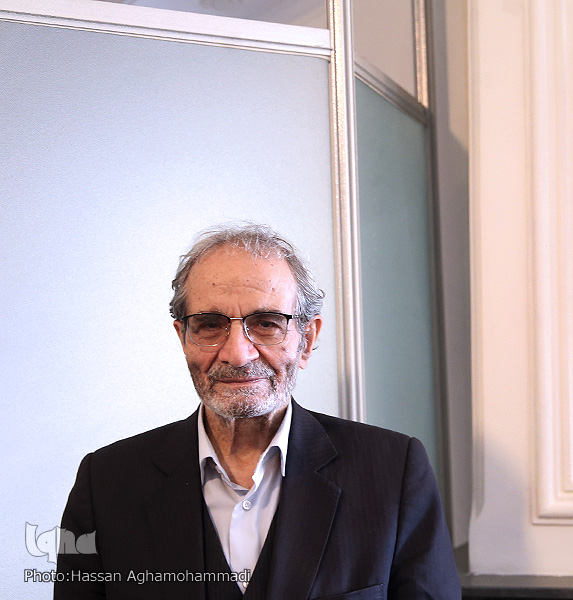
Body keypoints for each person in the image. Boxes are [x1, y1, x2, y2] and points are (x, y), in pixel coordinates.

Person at [55, 223, 460, 599]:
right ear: (183, 337)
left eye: (266, 323)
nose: (237, 353)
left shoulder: (392, 472)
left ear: (306, 340)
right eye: (210, 324)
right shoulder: (105, 483)